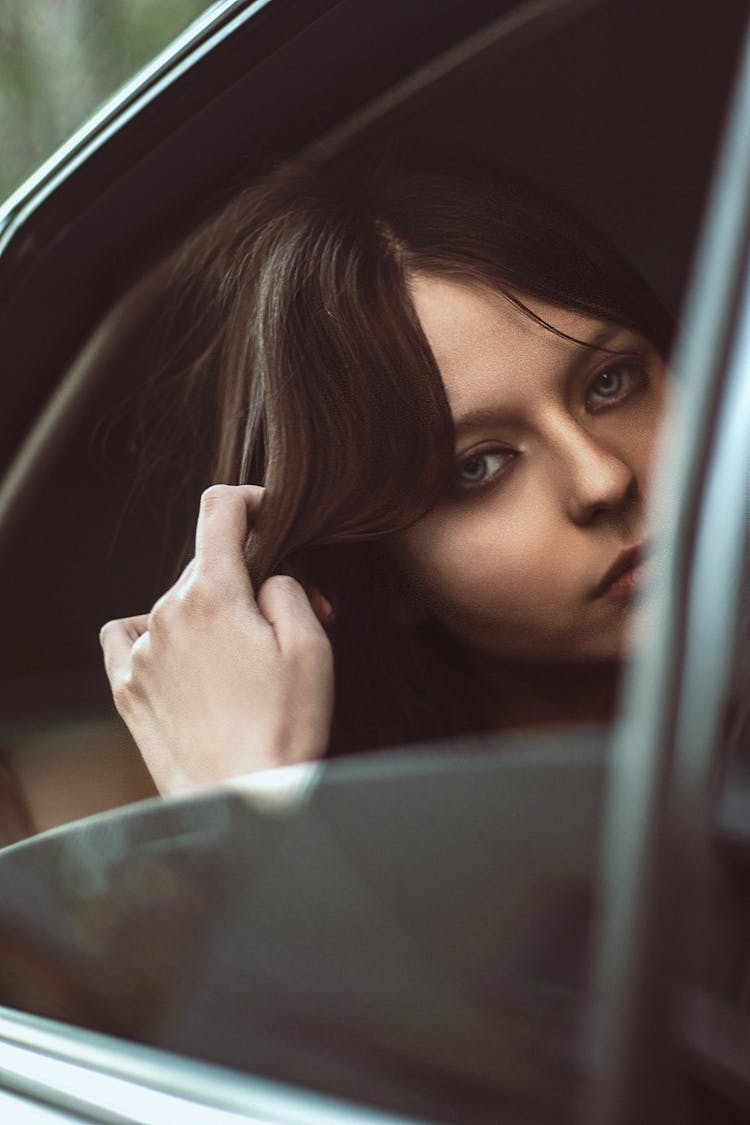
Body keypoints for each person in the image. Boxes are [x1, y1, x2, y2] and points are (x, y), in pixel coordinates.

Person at [99, 150, 673, 796]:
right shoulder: (388, 879)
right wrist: (239, 788)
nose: (603, 479)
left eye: (610, 384)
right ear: (390, 574)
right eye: (479, 466)